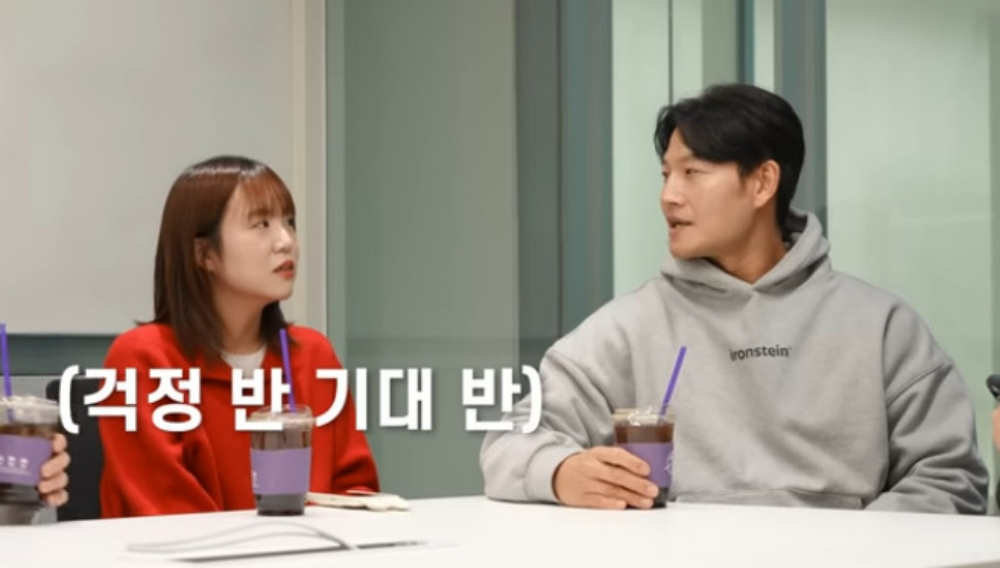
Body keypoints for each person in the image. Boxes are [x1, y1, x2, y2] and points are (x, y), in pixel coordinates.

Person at [480, 83, 988, 514]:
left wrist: (853, 551)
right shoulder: (627, 329)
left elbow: (949, 479)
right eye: (666, 175)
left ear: (763, 182)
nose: (668, 196)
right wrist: (562, 471)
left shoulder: (882, 327)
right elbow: (509, 441)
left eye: (692, 173)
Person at [97, 156, 379, 518]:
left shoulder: (313, 354)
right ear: (205, 254)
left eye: (289, 222)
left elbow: (357, 495)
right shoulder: (144, 359)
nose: (286, 242)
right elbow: (167, 520)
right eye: (262, 224)